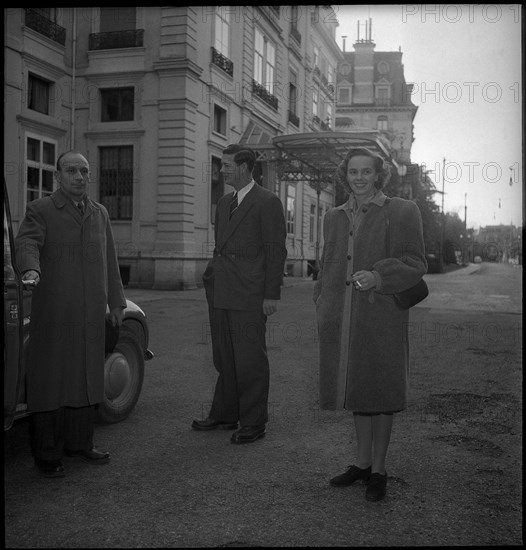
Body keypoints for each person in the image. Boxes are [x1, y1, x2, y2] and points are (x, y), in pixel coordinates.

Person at [313, 147, 427, 501]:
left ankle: (379, 469)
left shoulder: (403, 211)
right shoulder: (333, 216)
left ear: (379, 175)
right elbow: (327, 261)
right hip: (340, 315)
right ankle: (361, 463)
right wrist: (322, 300)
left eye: (366, 172)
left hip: (382, 316)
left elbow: (416, 262)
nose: (359, 178)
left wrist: (380, 276)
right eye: (353, 172)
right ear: (345, 176)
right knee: (357, 391)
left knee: (380, 392)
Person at [15, 150, 126, 478]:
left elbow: (110, 259)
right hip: (56, 315)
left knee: (87, 379)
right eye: (71, 171)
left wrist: (117, 302)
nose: (79, 177)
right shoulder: (41, 209)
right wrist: (31, 269)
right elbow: (27, 243)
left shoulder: (100, 213)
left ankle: (79, 444)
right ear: (58, 176)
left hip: (91, 315)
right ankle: (47, 456)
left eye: (84, 171)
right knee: (51, 383)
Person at [192, 144, 287, 444]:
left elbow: (276, 252)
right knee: (224, 356)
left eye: (227, 165)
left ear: (245, 168)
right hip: (220, 290)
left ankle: (254, 421)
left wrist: (271, 295)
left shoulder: (267, 201)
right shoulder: (223, 203)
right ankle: (225, 413)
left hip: (249, 294)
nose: (221, 170)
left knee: (249, 360)